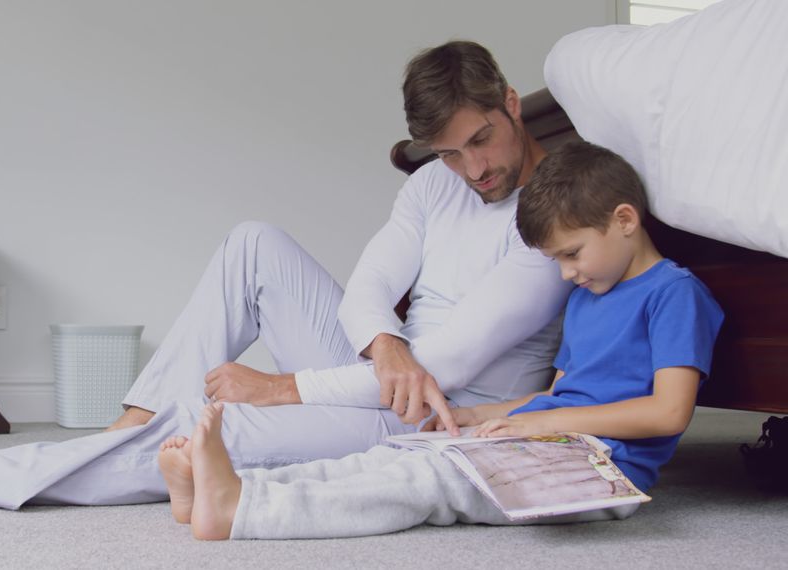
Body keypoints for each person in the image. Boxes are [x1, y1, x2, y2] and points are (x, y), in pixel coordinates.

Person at [0, 41, 571, 510]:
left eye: (483, 140)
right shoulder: (437, 182)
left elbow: (448, 369)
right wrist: (385, 341)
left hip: (436, 413)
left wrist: (278, 388)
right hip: (385, 366)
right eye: (451, 153)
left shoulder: (557, 212)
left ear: (509, 104)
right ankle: (128, 429)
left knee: (215, 429)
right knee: (252, 242)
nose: (475, 169)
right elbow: (369, 286)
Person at [158, 141, 724, 540]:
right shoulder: (585, 298)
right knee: (393, 453)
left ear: (625, 219)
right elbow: (557, 395)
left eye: (571, 255)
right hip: (545, 439)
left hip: (602, 471)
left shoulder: (674, 293)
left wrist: (544, 425)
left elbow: (669, 412)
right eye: (556, 261)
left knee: (427, 481)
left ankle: (244, 509)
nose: (566, 273)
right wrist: (475, 414)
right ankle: (228, 488)